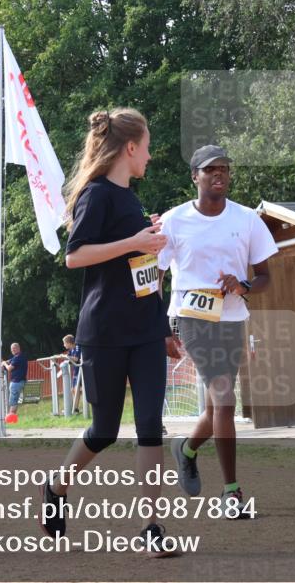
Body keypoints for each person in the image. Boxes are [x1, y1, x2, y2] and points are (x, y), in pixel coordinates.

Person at [39, 108, 176, 557]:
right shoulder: (95, 195)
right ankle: (56, 489)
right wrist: (135, 242)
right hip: (103, 331)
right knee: (104, 429)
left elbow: (141, 268)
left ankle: (151, 527)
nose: (151, 157)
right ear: (130, 148)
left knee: (151, 425)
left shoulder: (132, 198)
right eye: (148, 147)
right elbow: (74, 257)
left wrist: (149, 239)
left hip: (145, 330)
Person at [158, 144, 277, 517]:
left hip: (232, 319)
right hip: (191, 319)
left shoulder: (246, 219)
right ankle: (231, 492)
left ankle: (186, 449)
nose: (219, 174)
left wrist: (242, 286)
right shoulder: (174, 220)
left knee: (215, 408)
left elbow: (266, 277)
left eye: (224, 168)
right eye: (211, 169)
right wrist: (160, 327)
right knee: (225, 399)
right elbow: (156, 275)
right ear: (195, 176)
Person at [2, 342, 28, 420]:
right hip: (21, 381)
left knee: (13, 401)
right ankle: (12, 417)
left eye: (14, 348)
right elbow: (9, 361)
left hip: (16, 382)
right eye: (11, 349)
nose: (12, 350)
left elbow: (9, 368)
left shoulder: (17, 358)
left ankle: (10, 419)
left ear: (18, 348)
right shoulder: (20, 356)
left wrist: (4, 364)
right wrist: (5, 362)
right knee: (14, 400)